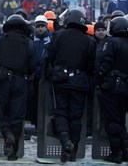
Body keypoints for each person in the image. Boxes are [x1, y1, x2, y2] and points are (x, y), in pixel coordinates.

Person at [0, 14, 37, 161]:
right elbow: (33, 66)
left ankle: (7, 135)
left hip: (2, 81)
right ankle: (14, 152)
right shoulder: (29, 43)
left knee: (0, 113)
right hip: (20, 82)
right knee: (17, 117)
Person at [45, 9, 96, 163]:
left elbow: (49, 56)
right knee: (76, 117)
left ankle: (65, 141)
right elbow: (91, 65)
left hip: (61, 80)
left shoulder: (59, 35)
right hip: (80, 82)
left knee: (61, 113)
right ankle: (72, 148)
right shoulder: (89, 41)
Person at [96, 17, 128, 163]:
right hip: (125, 87)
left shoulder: (112, 42)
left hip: (113, 87)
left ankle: (116, 153)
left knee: (113, 121)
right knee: (122, 121)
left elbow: (105, 63)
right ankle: (126, 151)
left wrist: (100, 79)